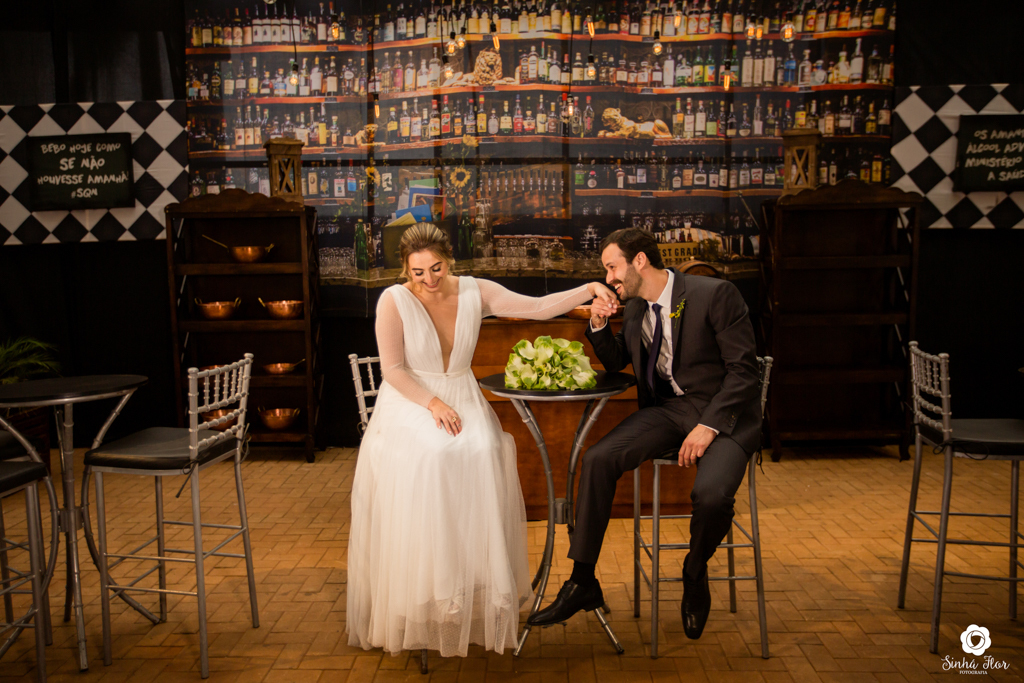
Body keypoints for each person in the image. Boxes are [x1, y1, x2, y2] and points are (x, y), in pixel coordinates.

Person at [347, 223, 617, 657]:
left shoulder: (476, 291)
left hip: (462, 394)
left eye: (436, 269)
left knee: (488, 448)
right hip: (414, 400)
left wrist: (588, 288)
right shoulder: (394, 300)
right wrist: (433, 404)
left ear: (449, 261)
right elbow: (393, 370)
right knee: (436, 455)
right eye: (418, 273)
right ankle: (431, 588)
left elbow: (538, 308)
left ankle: (472, 581)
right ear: (406, 270)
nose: (429, 280)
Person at [527, 228, 762, 640]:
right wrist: (598, 323)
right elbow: (617, 360)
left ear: (639, 261)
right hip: (670, 412)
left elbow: (744, 372)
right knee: (598, 458)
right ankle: (582, 580)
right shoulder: (636, 308)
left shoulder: (714, 294)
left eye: (612, 267)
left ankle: (695, 570)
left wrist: (708, 426)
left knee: (710, 496)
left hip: (724, 415)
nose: (608, 278)